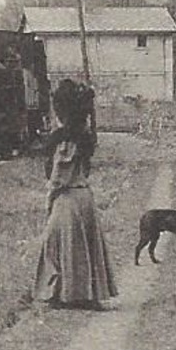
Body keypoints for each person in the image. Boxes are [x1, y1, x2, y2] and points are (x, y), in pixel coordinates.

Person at [33, 80, 119, 308]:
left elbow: (59, 177)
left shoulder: (63, 142)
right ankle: (83, 294)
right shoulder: (82, 136)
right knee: (84, 247)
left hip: (68, 198)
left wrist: (50, 197)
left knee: (55, 244)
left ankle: (63, 295)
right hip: (85, 197)